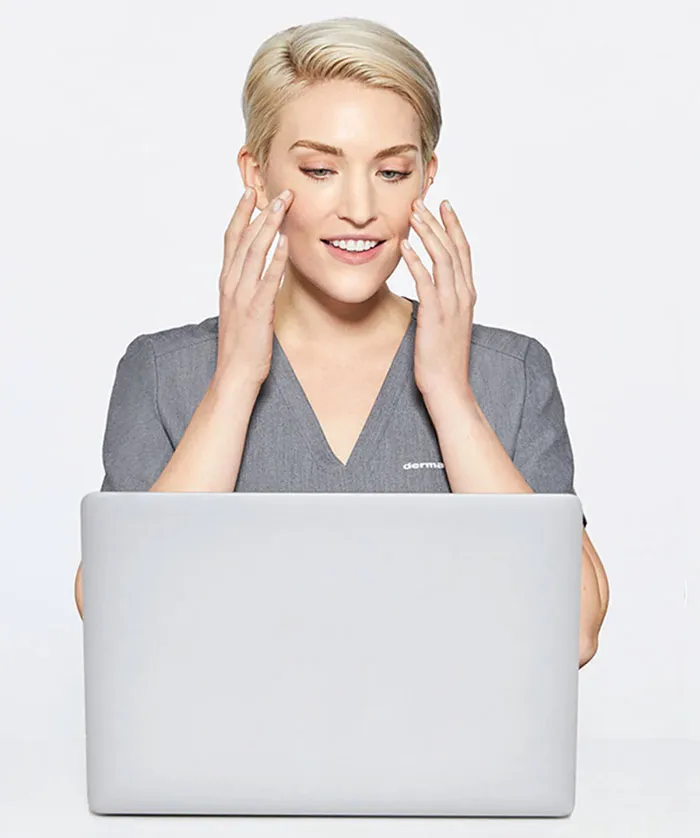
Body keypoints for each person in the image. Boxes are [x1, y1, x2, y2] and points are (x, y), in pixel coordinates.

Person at [74, 17, 608, 667]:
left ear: (426, 177)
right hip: (226, 766)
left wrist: (449, 393)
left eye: (391, 172)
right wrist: (235, 381)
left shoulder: (510, 374)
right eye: (321, 168)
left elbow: (574, 629)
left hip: (448, 767)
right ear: (256, 173)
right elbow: (119, 615)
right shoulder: (166, 373)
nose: (359, 207)